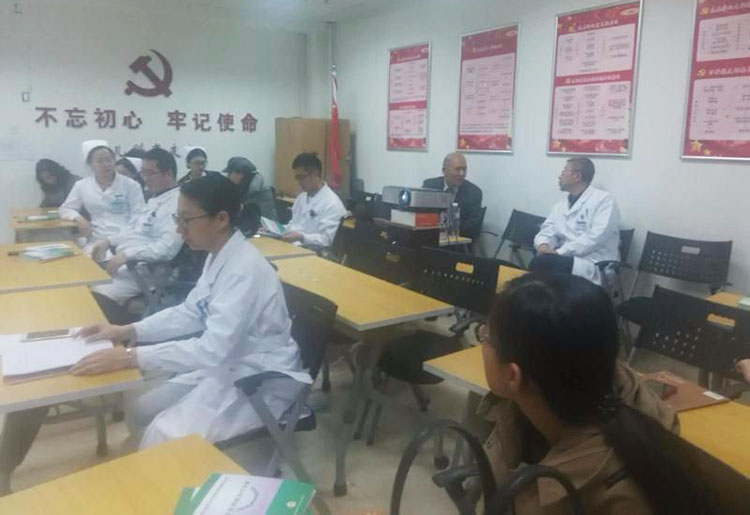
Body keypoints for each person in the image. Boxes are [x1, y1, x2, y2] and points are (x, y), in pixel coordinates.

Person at [69, 173, 310, 449]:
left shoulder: (244, 269)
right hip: (230, 361)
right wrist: (128, 331)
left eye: (187, 220)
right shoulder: (218, 255)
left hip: (259, 376)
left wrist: (131, 357)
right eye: (178, 219)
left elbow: (212, 349)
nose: (179, 230)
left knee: (162, 434)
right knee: (141, 409)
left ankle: (160, 469)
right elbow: (191, 312)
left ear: (221, 219)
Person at [480, 273, 716, 513]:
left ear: (513, 376)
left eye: (486, 337)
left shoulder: (619, 498)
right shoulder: (597, 390)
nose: (481, 344)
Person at [89, 148, 184, 323]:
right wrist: (108, 241)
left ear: (169, 173)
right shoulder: (155, 198)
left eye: (149, 173)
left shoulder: (178, 204)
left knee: (95, 297)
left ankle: (116, 333)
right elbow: (135, 230)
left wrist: (126, 255)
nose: (144, 178)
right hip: (127, 264)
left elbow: (167, 248)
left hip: (146, 270)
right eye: (143, 173)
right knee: (83, 281)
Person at [531, 157, 620, 285]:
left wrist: (559, 252)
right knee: (541, 260)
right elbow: (547, 231)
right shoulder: (560, 206)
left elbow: (595, 238)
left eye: (564, 171)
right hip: (563, 260)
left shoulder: (604, 200)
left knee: (542, 263)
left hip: (593, 263)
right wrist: (544, 245)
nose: (559, 176)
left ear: (577, 176)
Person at [59, 140, 145, 243]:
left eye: (109, 160)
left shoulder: (131, 185)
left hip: (126, 238)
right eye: (100, 161)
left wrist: (119, 239)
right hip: (96, 237)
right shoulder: (82, 185)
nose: (106, 164)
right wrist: (80, 219)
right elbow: (65, 208)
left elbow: (139, 216)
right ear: (91, 164)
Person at [282, 152, 346, 249]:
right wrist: (274, 229)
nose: (299, 182)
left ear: (315, 174)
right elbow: (293, 226)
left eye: (301, 177)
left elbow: (327, 240)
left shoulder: (332, 203)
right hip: (294, 247)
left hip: (313, 252)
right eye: (297, 178)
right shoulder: (301, 198)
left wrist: (302, 237)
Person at [422, 152, 484, 239]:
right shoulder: (430, 186)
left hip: (457, 239)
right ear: (444, 170)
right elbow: (421, 213)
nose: (462, 173)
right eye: (457, 169)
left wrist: (446, 228)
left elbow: (473, 224)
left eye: (464, 169)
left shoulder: (474, 192)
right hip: (430, 236)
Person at [224, 156, 277, 233]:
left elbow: (266, 220)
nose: (227, 177)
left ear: (240, 174)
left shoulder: (261, 191)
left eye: (229, 173)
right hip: (244, 228)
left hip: (262, 231)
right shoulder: (240, 187)